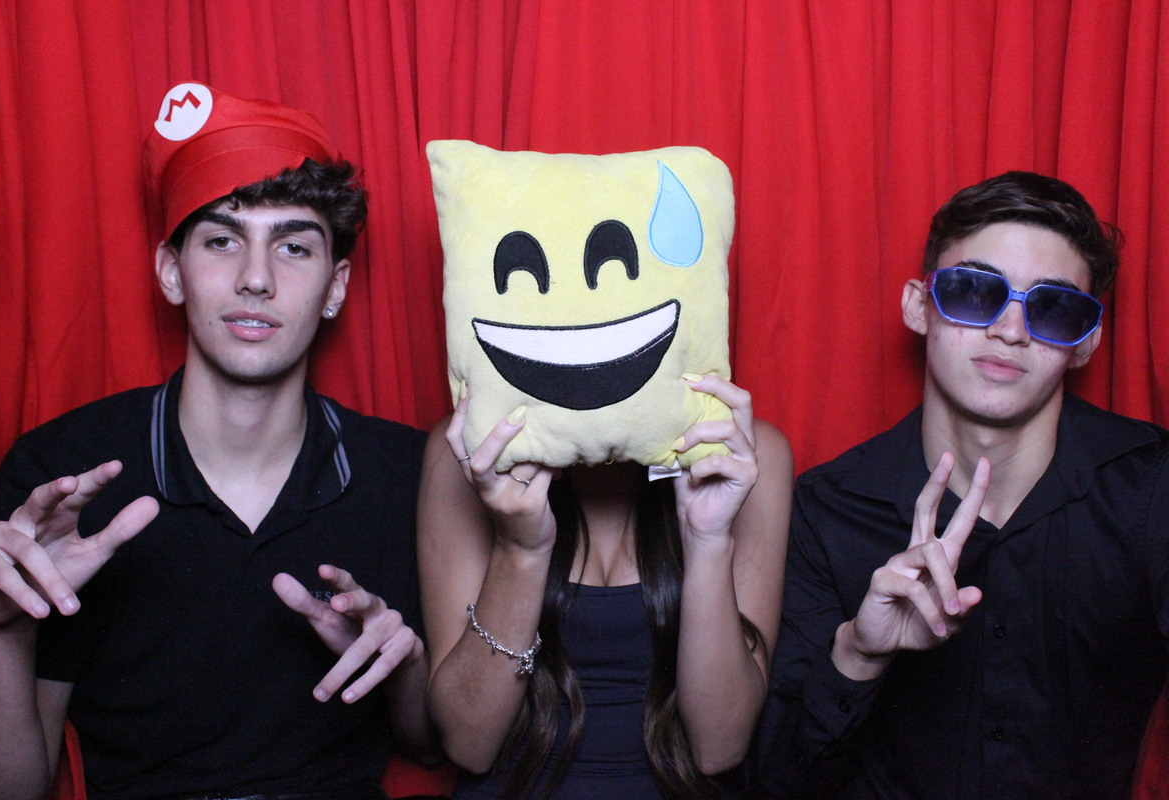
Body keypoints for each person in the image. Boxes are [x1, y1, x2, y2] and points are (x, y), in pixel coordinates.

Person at [0, 82, 436, 800]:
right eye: (222, 241)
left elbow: (432, 745)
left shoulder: (407, 474)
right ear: (171, 271)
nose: (256, 279)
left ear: (336, 286)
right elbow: (7, 792)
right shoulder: (59, 478)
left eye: (293, 247)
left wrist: (402, 669)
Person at [753, 171, 1169, 800]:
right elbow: (777, 782)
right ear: (918, 307)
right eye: (975, 292)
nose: (1010, 330)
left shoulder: (1151, 490)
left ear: (1085, 344)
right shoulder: (828, 509)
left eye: (1053, 308)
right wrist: (860, 657)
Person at [418, 377, 792, 799]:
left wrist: (707, 539)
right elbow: (469, 744)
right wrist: (520, 549)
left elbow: (719, 748)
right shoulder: (473, 449)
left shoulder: (740, 453)